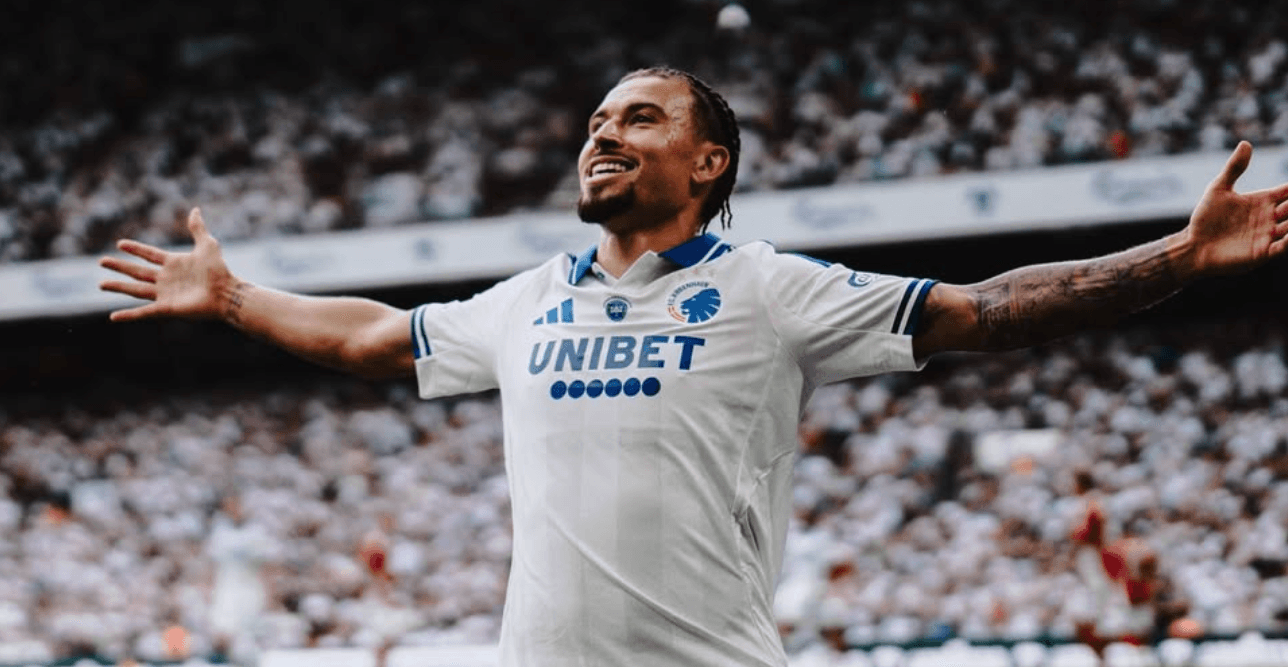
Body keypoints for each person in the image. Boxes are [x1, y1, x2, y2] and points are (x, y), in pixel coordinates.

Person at [100, 67, 1288, 667]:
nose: (602, 134)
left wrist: (1178, 257)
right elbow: (370, 340)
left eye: (639, 120)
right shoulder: (527, 301)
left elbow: (989, 309)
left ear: (709, 162)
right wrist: (237, 299)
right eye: (595, 123)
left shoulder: (770, 290)